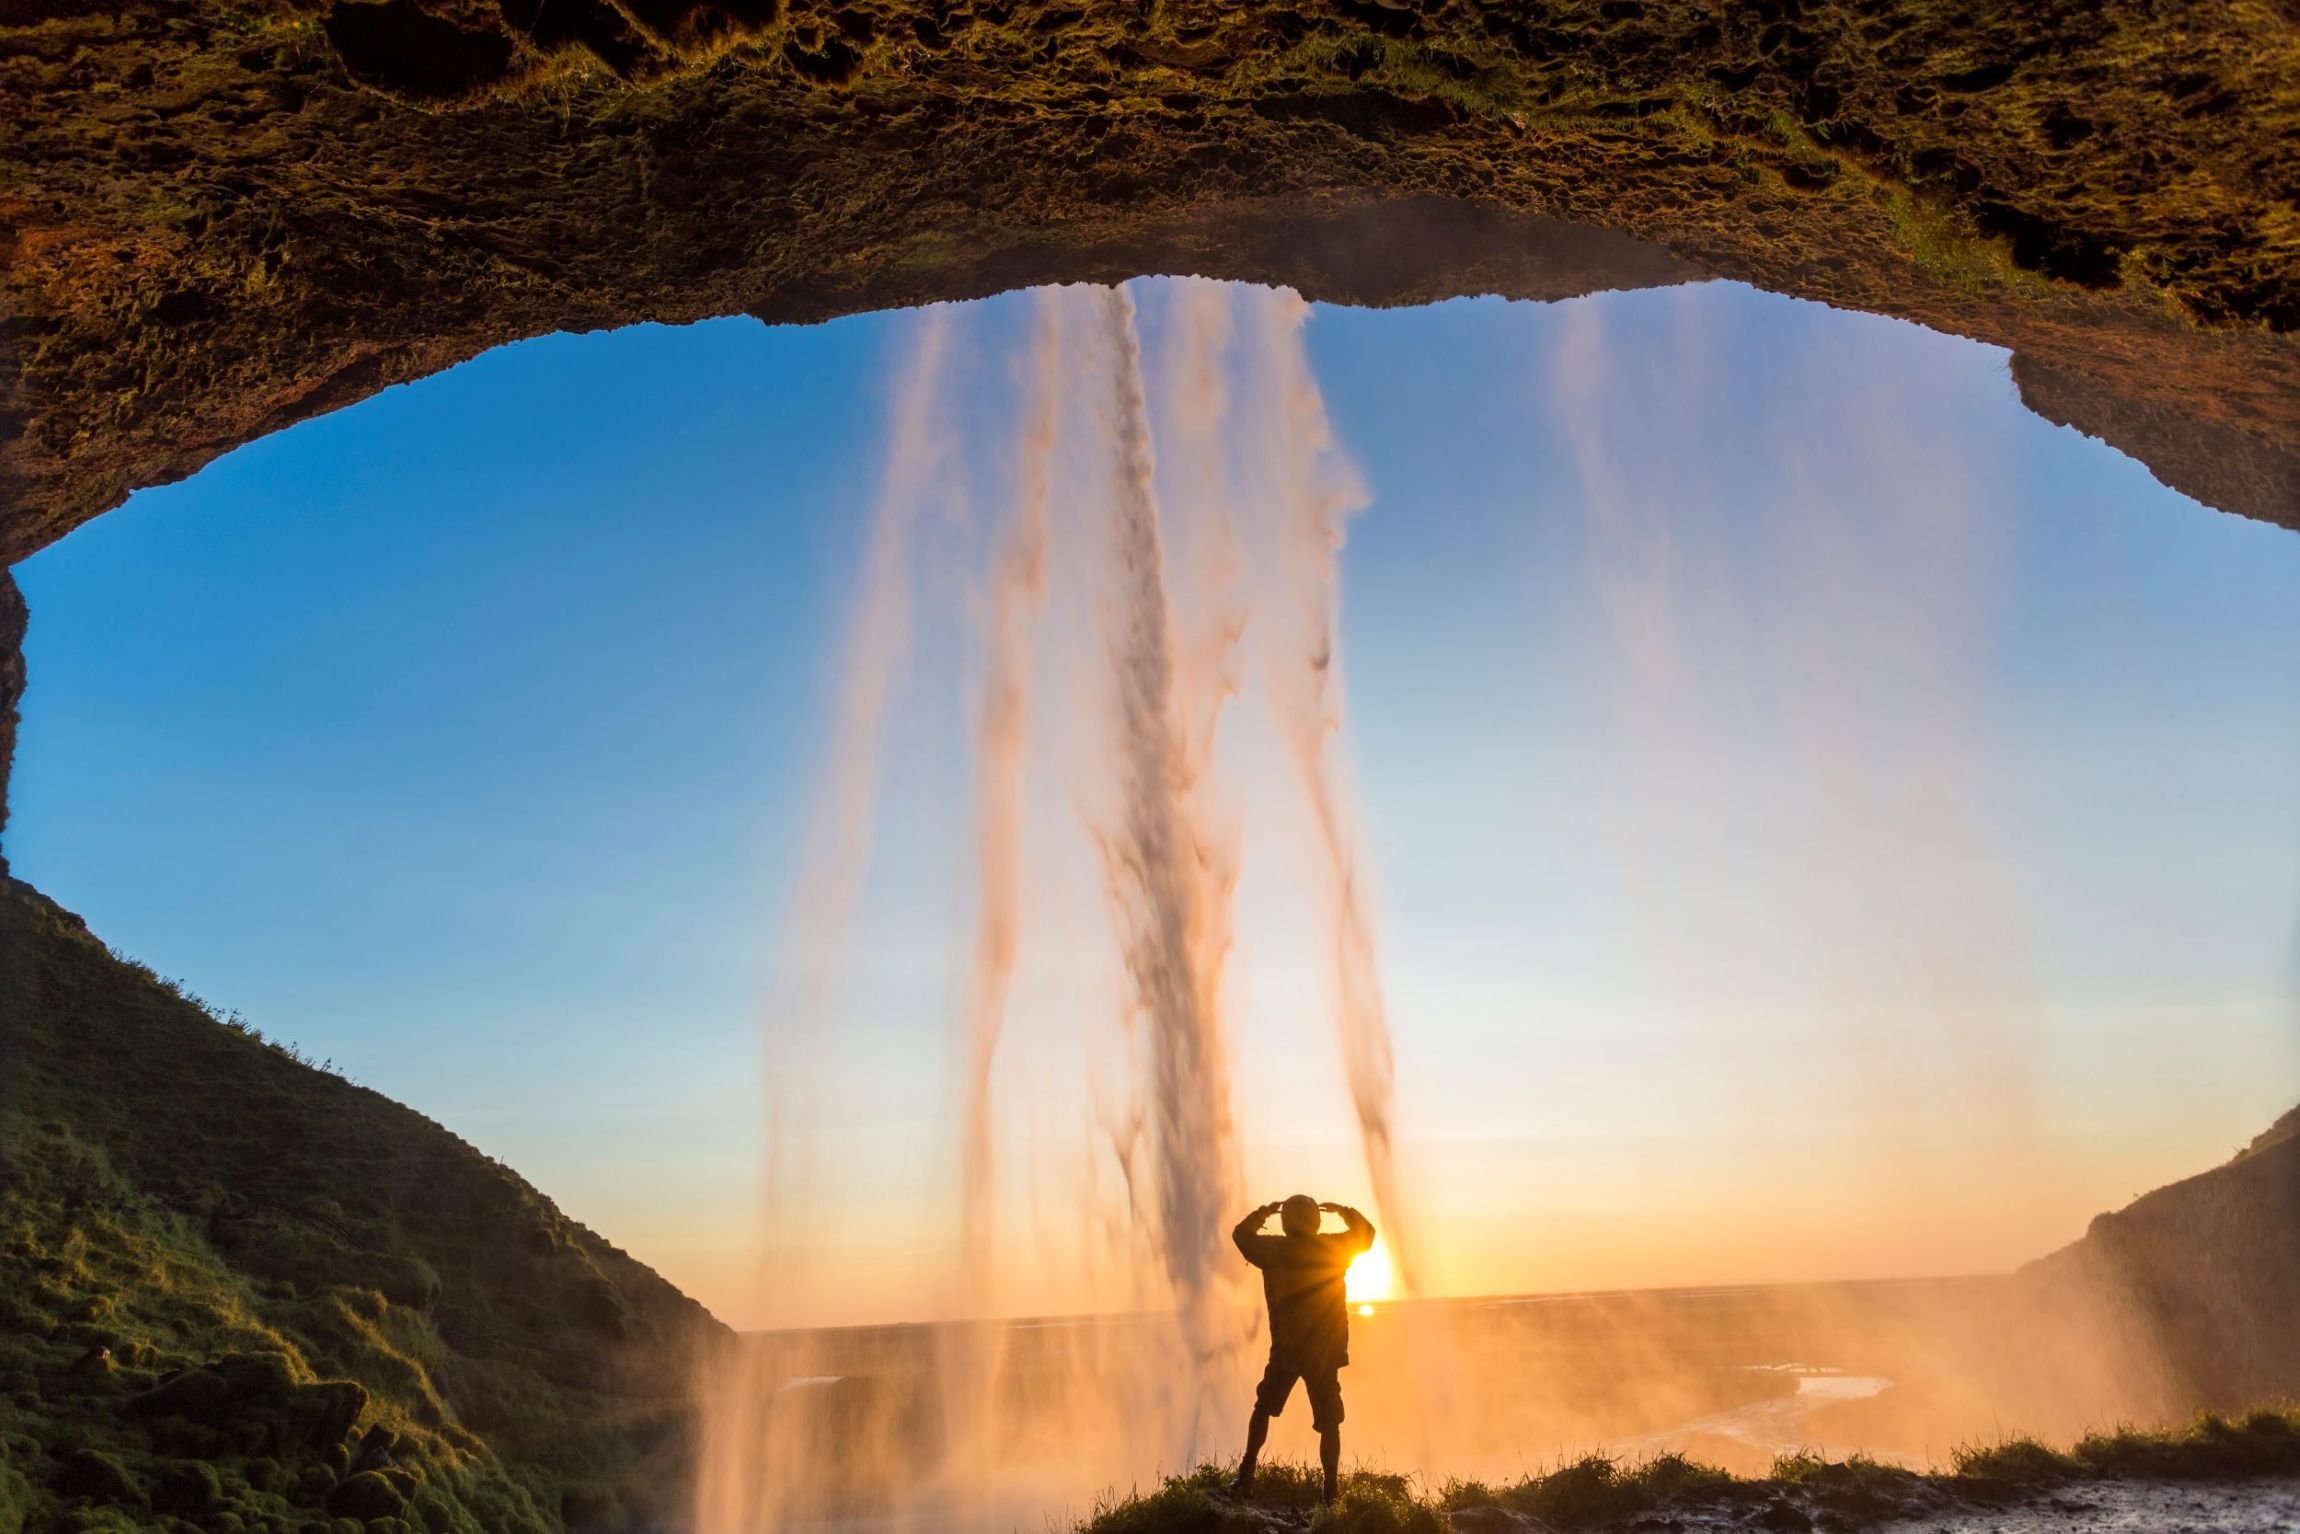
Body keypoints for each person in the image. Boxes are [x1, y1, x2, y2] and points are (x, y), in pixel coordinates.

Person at [1230, 1193, 1375, 1503]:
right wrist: (1345, 1210)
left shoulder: (1274, 1250)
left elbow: (1240, 1235)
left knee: (1264, 1407)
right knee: (1330, 1423)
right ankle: (1331, 1489)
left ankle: (1246, 1473)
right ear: (1316, 1221)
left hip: (1286, 1350)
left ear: (1285, 1222)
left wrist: (1262, 1212)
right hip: (1324, 1353)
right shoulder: (1331, 1248)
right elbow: (1368, 1234)